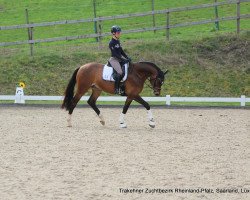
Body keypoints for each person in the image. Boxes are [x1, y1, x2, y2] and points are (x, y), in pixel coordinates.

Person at [109, 25, 131, 95]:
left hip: (119, 59)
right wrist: (123, 59)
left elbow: (121, 51)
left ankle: (123, 89)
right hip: (114, 59)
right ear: (113, 33)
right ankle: (116, 89)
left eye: (119, 32)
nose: (119, 34)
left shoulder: (118, 41)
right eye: (118, 33)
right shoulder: (111, 43)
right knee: (120, 72)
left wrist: (127, 57)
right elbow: (115, 54)